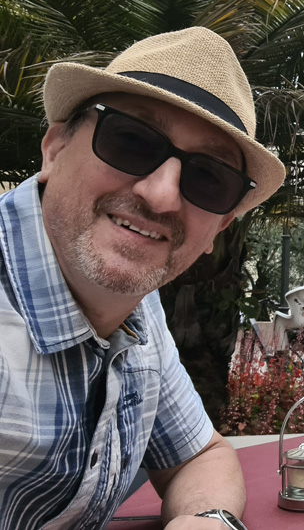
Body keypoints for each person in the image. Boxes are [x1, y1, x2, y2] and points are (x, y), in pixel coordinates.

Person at [0, 27, 285, 529]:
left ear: (218, 228)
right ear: (54, 149)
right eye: (130, 141)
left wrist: (206, 522)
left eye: (207, 177)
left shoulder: (137, 307)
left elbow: (199, 456)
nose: (161, 195)